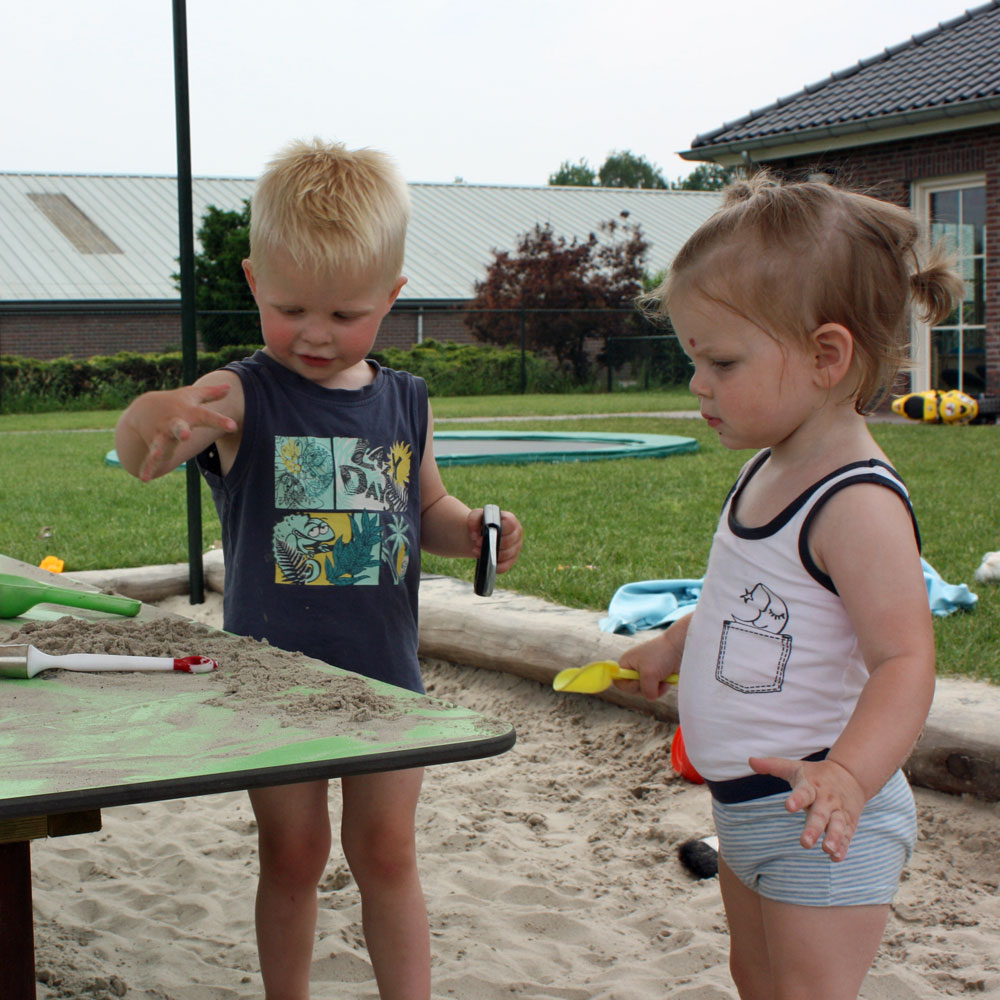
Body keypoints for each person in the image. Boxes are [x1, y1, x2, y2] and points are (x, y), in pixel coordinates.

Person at [114, 138, 523, 1000]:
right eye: (292, 306)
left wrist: (478, 527)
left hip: (386, 679)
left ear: (392, 298)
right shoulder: (243, 393)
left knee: (387, 854)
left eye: (345, 315)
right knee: (293, 854)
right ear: (256, 281)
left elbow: (429, 513)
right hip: (275, 682)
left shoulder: (407, 400)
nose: (314, 334)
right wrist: (152, 416)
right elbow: (151, 441)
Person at [617, 173, 961, 1000]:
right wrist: (678, 637)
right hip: (746, 807)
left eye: (721, 361)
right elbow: (747, 603)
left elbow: (906, 660)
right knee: (756, 978)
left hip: (825, 814)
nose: (698, 383)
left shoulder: (856, 503)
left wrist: (848, 774)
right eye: (693, 358)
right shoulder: (766, 472)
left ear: (825, 355)